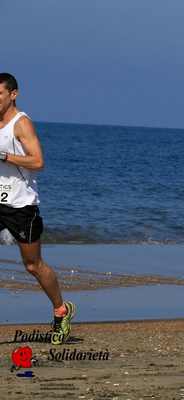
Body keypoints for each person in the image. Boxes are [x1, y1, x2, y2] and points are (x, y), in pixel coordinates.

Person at [0, 73, 75, 343]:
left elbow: (38, 162)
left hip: (20, 205)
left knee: (32, 265)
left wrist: (4, 155)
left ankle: (61, 310)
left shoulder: (22, 125)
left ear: (13, 95)